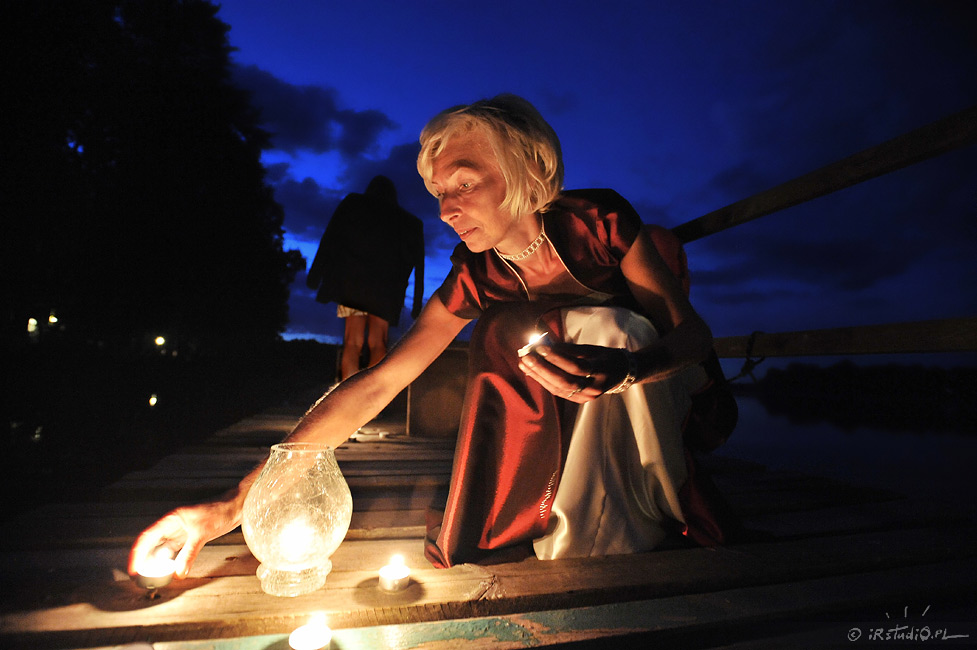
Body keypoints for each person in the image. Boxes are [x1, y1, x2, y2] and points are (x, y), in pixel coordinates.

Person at [129, 94, 730, 579]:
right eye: (439, 193)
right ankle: (563, 523)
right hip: (559, 435)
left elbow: (692, 336)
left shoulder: (598, 223)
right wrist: (235, 506)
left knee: (614, 326)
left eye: (463, 183)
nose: (446, 209)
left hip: (663, 401)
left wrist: (627, 368)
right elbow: (381, 380)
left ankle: (641, 517)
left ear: (529, 167)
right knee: (505, 328)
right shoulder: (477, 275)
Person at [305, 175, 425, 381]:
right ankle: (369, 401)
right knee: (379, 343)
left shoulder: (353, 203)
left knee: (352, 343)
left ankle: (348, 402)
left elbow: (330, 237)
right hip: (386, 293)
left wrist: (315, 276)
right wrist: (416, 304)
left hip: (352, 288)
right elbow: (419, 265)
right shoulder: (411, 223)